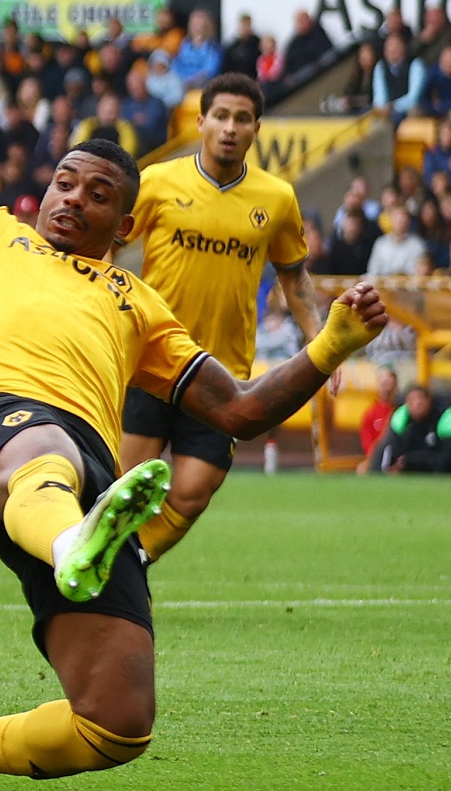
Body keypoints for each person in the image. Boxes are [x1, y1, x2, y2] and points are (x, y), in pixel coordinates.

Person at [0, 0, 386, 791]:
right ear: (42, 187)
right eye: (65, 181)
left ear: (126, 226)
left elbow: (238, 410)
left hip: (94, 472)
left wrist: (329, 346)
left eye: (98, 194)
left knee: (116, 722)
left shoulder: (139, 305)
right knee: (42, 456)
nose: (73, 199)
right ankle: (75, 537)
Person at [117, 73, 326, 563]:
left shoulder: (276, 198)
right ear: (201, 121)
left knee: (192, 492)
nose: (230, 128)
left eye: (242, 119)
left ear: (257, 128)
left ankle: (128, 567)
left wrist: (319, 344)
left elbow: (294, 278)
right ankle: (100, 576)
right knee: (120, 488)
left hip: (223, 372)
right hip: (153, 359)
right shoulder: (158, 181)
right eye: (221, 116)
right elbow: (107, 245)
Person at [380, 384, 451, 473]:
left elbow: (449, 457)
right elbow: (390, 455)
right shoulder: (401, 419)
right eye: (412, 401)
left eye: (421, 399)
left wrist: (410, 461)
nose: (417, 404)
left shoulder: (445, 416)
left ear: (429, 401)